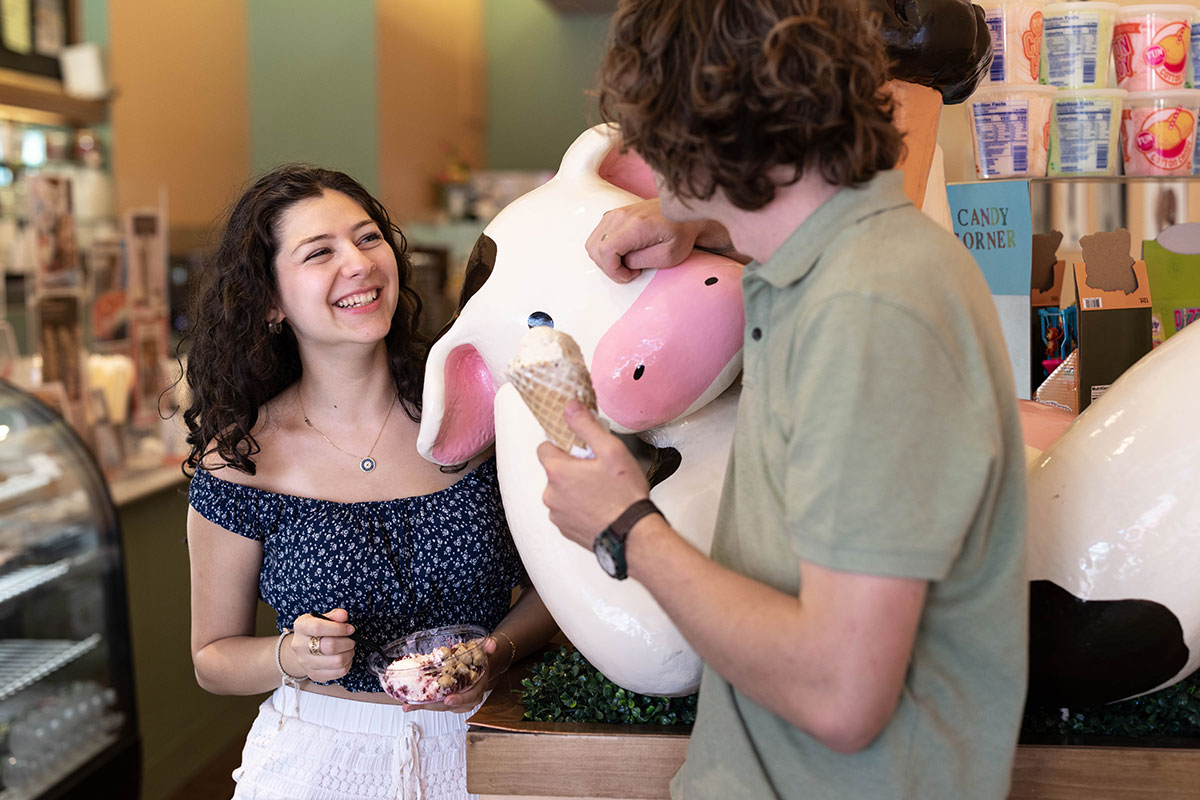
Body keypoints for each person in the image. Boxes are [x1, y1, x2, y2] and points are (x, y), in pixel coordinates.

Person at [538, 2, 1028, 798]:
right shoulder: (826, 267)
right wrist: (700, 221)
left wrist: (626, 526)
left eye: (652, 123)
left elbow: (841, 695)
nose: (642, 153)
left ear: (711, 124)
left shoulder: (870, 310)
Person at [183, 164, 557, 800]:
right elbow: (211, 658)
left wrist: (493, 655)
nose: (357, 264)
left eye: (367, 238)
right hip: (318, 764)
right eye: (319, 252)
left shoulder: (480, 413)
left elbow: (558, 589)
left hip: (489, 750)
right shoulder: (244, 459)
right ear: (270, 301)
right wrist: (288, 656)